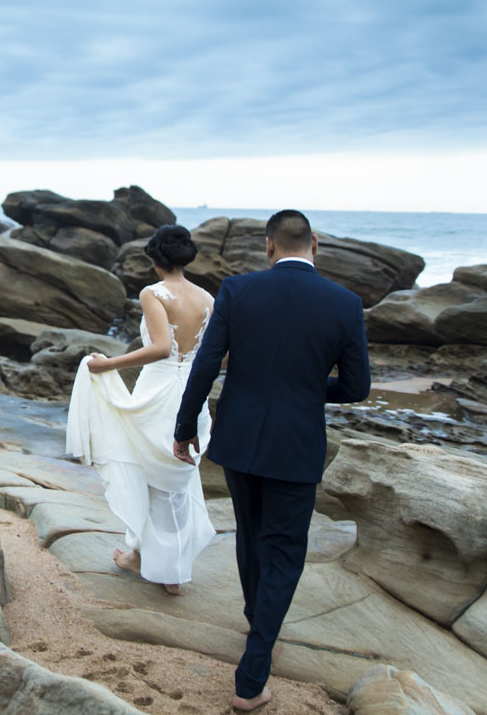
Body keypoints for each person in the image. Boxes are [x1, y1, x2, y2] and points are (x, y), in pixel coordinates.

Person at [172, 210, 370, 711]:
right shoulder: (345, 304)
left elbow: (205, 366)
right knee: (283, 552)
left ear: (268, 247)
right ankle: (251, 678)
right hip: (295, 445)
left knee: (251, 537)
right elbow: (356, 387)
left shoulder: (238, 291)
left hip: (239, 440)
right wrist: (305, 389)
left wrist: (184, 428)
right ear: (315, 245)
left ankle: (256, 622)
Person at [66, 224, 217, 595]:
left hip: (160, 388)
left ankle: (161, 567)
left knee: (151, 473)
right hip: (192, 392)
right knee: (176, 477)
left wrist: (109, 364)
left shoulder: (154, 293)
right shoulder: (208, 298)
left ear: (154, 259)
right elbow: (218, 353)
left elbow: (162, 347)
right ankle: (165, 564)